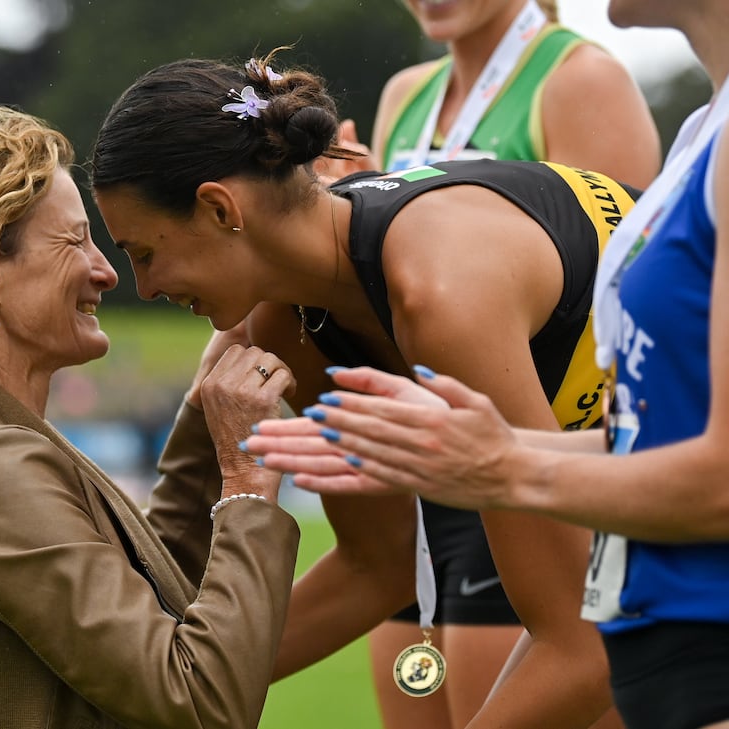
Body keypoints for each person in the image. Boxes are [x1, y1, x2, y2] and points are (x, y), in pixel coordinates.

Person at [90, 50, 643, 728]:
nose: (144, 288)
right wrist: (154, 689)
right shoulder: (288, 318)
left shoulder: (440, 291)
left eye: (144, 252)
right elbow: (376, 564)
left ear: (219, 207)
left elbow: (585, 646)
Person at [244, 1, 729, 727]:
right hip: (458, 462)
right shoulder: (410, 91)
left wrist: (514, 462)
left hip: (546, 479)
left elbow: (625, 336)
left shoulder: (580, 79)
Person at [0, 104, 302, 729]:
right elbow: (199, 701)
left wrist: (209, 400)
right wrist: (246, 482)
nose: (106, 271)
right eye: (76, 239)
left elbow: (159, 587)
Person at [323, 0, 660, 725]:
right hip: (426, 477)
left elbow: (627, 306)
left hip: (532, 475)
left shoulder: (579, 79)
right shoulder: (405, 93)